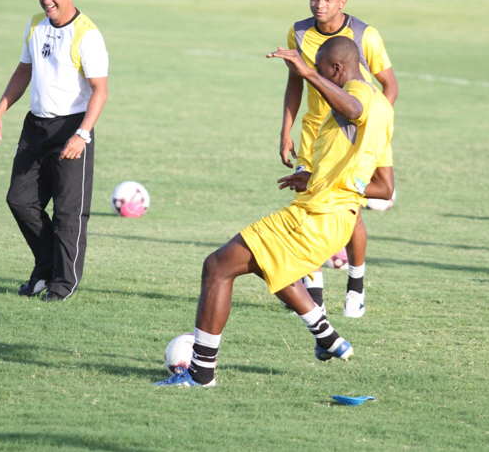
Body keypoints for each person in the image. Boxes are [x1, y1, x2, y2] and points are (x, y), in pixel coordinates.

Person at [156, 36, 394, 387]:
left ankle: (201, 374)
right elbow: (383, 186)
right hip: (335, 217)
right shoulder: (385, 109)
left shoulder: (357, 95)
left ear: (337, 69)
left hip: (317, 218)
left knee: (217, 267)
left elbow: (353, 109)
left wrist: (306, 73)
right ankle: (326, 337)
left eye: (322, 71)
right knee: (266, 264)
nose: (317, 78)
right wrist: (318, 180)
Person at [0, 0, 109, 302]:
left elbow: (100, 91)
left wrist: (82, 135)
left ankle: (62, 284)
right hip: (35, 127)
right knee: (19, 200)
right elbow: (24, 72)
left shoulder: (88, 35)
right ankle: (46, 267)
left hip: (71, 128)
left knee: (68, 213)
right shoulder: (35, 24)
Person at [279, 0, 398, 318]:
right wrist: (285, 130)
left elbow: (389, 85)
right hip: (315, 133)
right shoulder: (298, 32)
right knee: (308, 207)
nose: (320, 4)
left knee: (351, 211)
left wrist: (374, 127)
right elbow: (295, 82)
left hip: (354, 133)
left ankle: (355, 287)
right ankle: (314, 295)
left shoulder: (364, 35)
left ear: (342, 2)